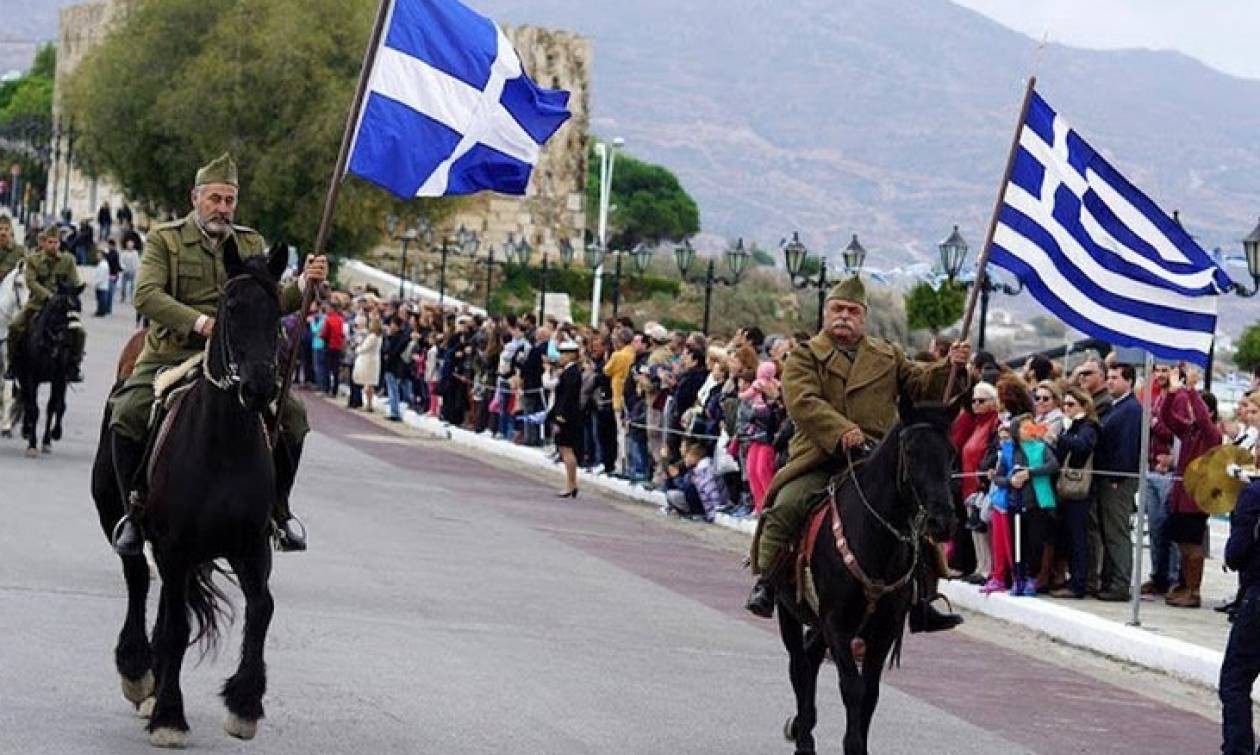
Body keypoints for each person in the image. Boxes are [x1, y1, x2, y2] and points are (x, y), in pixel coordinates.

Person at [108, 153, 325, 555]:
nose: (223, 209)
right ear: (196, 198)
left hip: (234, 360)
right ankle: (134, 512)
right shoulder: (165, 239)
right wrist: (200, 323)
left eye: (229, 201)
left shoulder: (249, 242)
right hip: (174, 353)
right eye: (215, 199)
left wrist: (304, 284)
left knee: (293, 417)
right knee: (129, 411)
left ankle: (279, 510)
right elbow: (147, 295)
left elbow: (271, 300)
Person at [745, 275, 971, 632]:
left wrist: (951, 368)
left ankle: (924, 597)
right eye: (838, 309)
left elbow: (922, 384)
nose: (844, 316)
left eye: (852, 310)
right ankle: (768, 582)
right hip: (821, 455)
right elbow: (803, 402)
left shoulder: (887, 354)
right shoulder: (804, 356)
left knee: (917, 512)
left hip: (876, 458)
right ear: (825, 312)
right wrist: (840, 431)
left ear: (863, 317)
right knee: (787, 504)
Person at [1159, 366, 1221, 608]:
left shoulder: (1211, 434)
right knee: (1183, 545)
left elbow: (1204, 419)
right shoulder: (1189, 432)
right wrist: (1173, 393)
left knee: (1193, 547)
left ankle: (1194, 591)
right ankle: (1186, 586)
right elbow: (1166, 418)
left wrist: (1192, 390)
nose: (1191, 412)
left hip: (1197, 499)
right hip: (1181, 497)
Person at [5, 227, 85, 382]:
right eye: (50, 242)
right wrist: (48, 296)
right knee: (14, 327)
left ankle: (74, 365)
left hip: (62, 308)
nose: (53, 245)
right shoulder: (34, 260)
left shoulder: (68, 261)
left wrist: (75, 290)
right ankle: (13, 365)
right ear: (43, 243)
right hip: (37, 304)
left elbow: (74, 280)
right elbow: (31, 282)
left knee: (80, 332)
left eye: (56, 242)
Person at [1091, 363, 1142, 600]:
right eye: (1108, 377)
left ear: (1129, 381)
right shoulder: (1117, 407)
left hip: (1118, 481)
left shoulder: (1130, 410)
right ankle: (1109, 580)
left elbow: (1127, 448)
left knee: (1116, 532)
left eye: (1115, 378)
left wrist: (1116, 477)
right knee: (1107, 530)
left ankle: (1120, 584)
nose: (1110, 382)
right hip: (1108, 477)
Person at [1220, 473, 1260, 754]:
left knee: (1235, 680)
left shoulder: (1255, 494)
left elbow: (1236, 553)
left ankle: (1238, 749)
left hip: (1257, 597)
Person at [1051, 387, 1100, 599]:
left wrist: (1059, 438)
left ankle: (1079, 582)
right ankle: (1072, 578)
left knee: (1079, 536)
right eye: (1065, 405)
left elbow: (1082, 447)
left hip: (1080, 489)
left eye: (1071, 405)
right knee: (1068, 536)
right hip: (1065, 488)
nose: (1066, 409)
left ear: (1083, 406)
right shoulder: (1068, 426)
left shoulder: (1088, 426)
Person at [548, 340, 583, 497]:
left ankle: (571, 484)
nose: (560, 357)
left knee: (567, 449)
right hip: (567, 414)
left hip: (567, 416)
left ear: (570, 355)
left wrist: (559, 418)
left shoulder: (572, 373)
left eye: (563, 353)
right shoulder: (569, 372)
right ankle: (571, 483)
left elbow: (567, 398)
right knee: (564, 449)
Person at [355, 316, 383, 412]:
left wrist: (358, 348)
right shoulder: (379, 337)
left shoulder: (372, 337)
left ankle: (368, 404)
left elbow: (364, 348)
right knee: (369, 384)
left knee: (367, 384)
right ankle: (369, 404)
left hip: (368, 361)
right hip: (373, 360)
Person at [118, 238, 140, 304]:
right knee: (123, 286)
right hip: (125, 271)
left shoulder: (135, 253)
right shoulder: (124, 252)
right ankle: (123, 297)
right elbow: (121, 261)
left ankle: (132, 299)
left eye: (131, 245)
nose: (130, 246)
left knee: (133, 287)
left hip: (133, 272)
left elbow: (137, 262)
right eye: (128, 245)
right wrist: (123, 268)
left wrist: (136, 269)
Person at [92, 248, 112, 316]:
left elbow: (101, 276)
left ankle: (101, 312)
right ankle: (99, 311)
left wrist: (95, 283)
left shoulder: (103, 265)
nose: (97, 256)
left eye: (99, 255)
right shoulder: (101, 264)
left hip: (102, 285)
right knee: (100, 300)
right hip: (100, 285)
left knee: (102, 300)